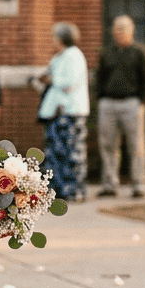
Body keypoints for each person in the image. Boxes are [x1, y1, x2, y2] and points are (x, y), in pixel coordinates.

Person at [96, 15, 145, 198]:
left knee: (136, 145)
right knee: (108, 146)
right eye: (116, 28)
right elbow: (100, 78)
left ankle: (139, 184)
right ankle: (109, 184)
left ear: (131, 31)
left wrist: (142, 102)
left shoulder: (139, 52)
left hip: (131, 103)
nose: (119, 32)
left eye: (123, 29)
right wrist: (100, 99)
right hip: (108, 103)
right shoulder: (107, 52)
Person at [38, 22, 90, 203]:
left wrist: (51, 79)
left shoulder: (74, 56)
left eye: (54, 37)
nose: (53, 41)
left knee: (72, 153)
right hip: (55, 114)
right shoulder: (59, 57)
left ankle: (74, 190)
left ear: (61, 39)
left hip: (70, 112)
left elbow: (68, 83)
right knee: (55, 154)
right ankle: (57, 190)